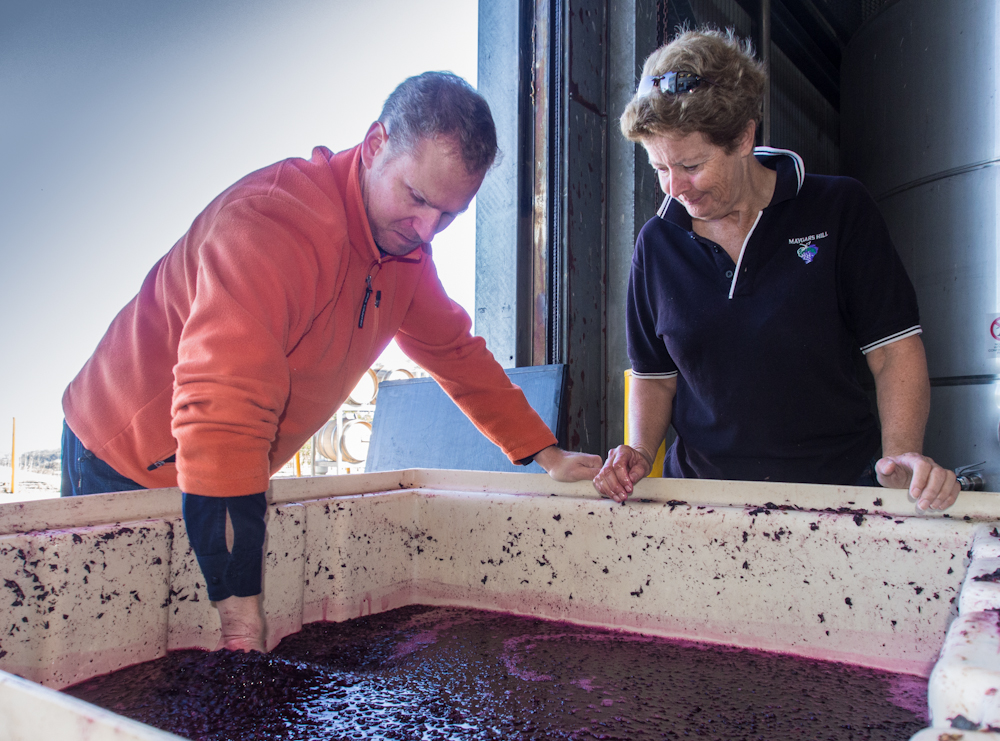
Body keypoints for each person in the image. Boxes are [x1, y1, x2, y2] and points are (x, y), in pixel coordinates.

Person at [62, 71, 602, 652]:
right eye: (417, 198)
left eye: (448, 216)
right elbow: (223, 413)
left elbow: (457, 354)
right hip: (122, 453)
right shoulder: (272, 224)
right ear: (374, 145)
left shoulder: (407, 252)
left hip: (223, 470)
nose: (426, 231)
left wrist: (548, 455)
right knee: (122, 654)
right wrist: (241, 612)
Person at [592, 29, 960, 511]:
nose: (674, 187)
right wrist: (639, 450)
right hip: (704, 504)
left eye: (692, 166)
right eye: (660, 168)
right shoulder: (656, 243)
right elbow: (655, 375)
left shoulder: (838, 209)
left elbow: (893, 350)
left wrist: (899, 459)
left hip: (834, 497)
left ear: (744, 136)